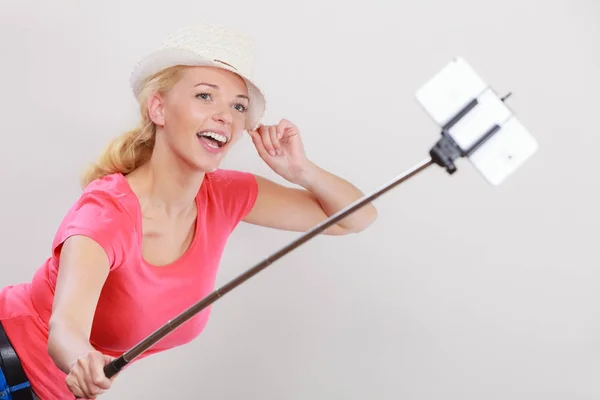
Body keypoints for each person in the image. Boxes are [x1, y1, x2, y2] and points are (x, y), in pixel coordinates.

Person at [0, 24, 377, 399]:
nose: (225, 116)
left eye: (238, 106)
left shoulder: (226, 196)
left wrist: (301, 171)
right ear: (159, 108)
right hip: (9, 365)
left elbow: (355, 218)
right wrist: (82, 359)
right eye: (205, 96)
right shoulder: (106, 212)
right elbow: (64, 330)